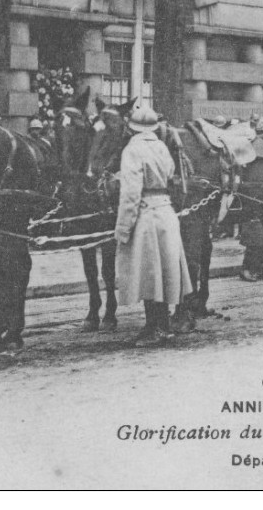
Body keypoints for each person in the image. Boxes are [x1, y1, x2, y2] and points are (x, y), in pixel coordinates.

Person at [114, 106, 193, 347]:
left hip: (146, 214)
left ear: (131, 127)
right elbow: (170, 172)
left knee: (149, 272)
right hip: (166, 211)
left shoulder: (132, 149)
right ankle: (164, 325)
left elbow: (130, 193)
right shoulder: (161, 146)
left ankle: (153, 327)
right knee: (166, 270)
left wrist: (123, 228)